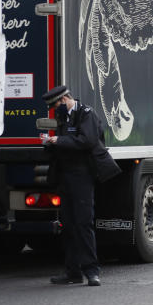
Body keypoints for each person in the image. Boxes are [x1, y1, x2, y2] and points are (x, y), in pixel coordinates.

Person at [42, 85, 120, 287]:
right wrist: (50, 143)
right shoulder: (64, 118)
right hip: (65, 177)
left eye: (55, 105)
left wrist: (59, 139)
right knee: (67, 225)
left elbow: (87, 140)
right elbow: (66, 144)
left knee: (83, 223)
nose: (54, 110)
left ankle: (92, 271)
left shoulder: (86, 114)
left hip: (82, 176)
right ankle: (73, 272)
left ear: (63, 99)